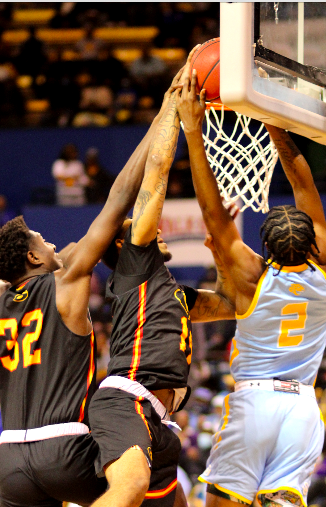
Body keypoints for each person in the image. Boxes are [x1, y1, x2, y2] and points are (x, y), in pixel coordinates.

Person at [0, 72, 184, 507]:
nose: (53, 242)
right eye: (43, 240)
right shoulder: (66, 280)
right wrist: (163, 115)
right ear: (35, 259)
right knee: (144, 485)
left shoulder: (1, 298)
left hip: (11, 462)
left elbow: (4, 275)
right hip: (63, 450)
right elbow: (119, 198)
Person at [177, 67, 326, 507]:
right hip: (304, 409)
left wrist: (194, 130)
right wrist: (276, 127)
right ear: (313, 244)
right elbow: (303, 182)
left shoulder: (252, 276)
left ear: (264, 246)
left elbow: (212, 212)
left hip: (256, 404)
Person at [88, 49, 236, 507]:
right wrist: (175, 102)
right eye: (139, 226)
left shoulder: (171, 292)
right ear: (123, 245)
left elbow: (233, 303)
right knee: (128, 491)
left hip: (158, 418)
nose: (151, 224)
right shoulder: (136, 265)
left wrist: (223, 242)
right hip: (127, 401)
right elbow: (156, 172)